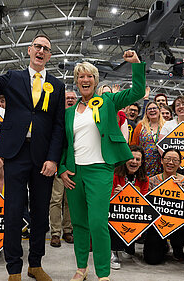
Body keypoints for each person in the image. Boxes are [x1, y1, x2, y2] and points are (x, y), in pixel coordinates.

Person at [0, 34, 65, 281]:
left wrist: (53, 159)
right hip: (15, 153)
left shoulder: (58, 85)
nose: (41, 51)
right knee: (12, 212)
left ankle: (35, 264)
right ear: (30, 50)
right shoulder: (13, 77)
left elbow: (59, 125)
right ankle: (13, 269)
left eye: (46, 49)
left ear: (49, 56)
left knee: (40, 213)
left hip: (43, 157)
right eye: (38, 46)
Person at [59, 50, 145, 281]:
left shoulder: (107, 101)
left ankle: (103, 273)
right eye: (80, 77)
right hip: (74, 171)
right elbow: (63, 144)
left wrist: (136, 64)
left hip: (100, 169)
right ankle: (81, 268)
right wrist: (62, 169)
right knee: (78, 223)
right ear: (76, 82)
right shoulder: (68, 113)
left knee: (98, 223)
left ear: (96, 81)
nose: (85, 80)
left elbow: (137, 92)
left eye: (89, 77)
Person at [145, 148, 184, 264]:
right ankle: (163, 245)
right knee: (152, 260)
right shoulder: (152, 181)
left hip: (180, 225)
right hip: (157, 224)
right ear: (161, 161)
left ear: (180, 163)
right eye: (168, 159)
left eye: (175, 160)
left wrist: (183, 190)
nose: (171, 162)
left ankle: (178, 247)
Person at [109, 145, 149, 270]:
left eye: (138, 159)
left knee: (130, 252)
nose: (134, 162)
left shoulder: (144, 179)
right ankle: (113, 251)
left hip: (133, 214)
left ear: (141, 163)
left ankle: (127, 246)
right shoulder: (115, 175)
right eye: (131, 158)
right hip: (114, 213)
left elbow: (143, 202)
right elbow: (106, 198)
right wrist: (115, 195)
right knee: (113, 217)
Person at [49, 91, 76, 248]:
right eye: (68, 98)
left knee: (69, 200)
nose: (70, 100)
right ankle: (55, 233)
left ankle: (68, 230)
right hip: (58, 163)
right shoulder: (56, 116)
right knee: (56, 199)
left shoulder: (77, 116)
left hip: (72, 165)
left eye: (73, 98)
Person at [131, 101, 164, 176]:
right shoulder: (140, 126)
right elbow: (134, 144)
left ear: (159, 111)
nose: (152, 110)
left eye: (154, 108)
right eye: (149, 109)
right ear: (146, 112)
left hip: (161, 165)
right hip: (143, 164)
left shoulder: (166, 126)